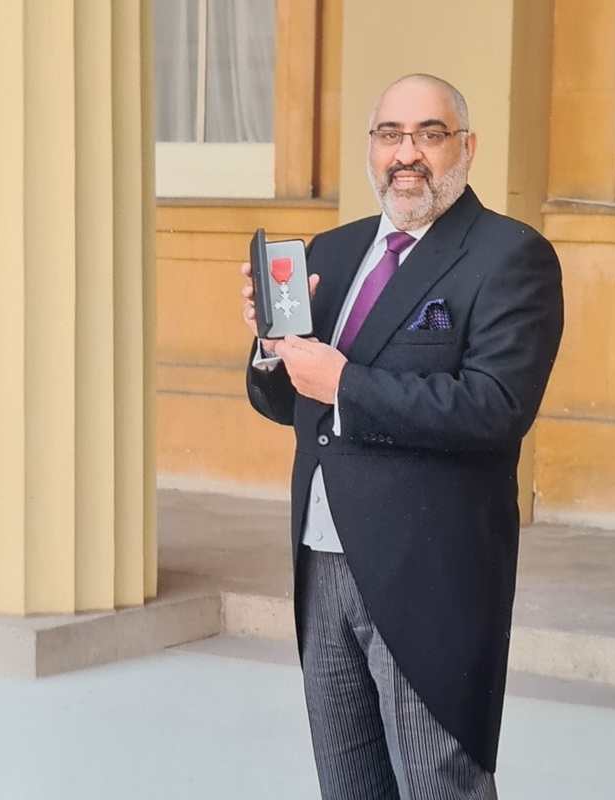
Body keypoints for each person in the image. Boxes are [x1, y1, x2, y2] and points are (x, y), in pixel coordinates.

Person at [240, 73, 563, 800]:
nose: (406, 154)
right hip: (322, 562)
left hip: (430, 573)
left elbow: (495, 405)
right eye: (390, 134)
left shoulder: (510, 257)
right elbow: (284, 402)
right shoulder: (331, 250)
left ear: (466, 148)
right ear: (372, 148)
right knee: (348, 783)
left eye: (429, 134)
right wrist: (270, 348)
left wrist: (343, 382)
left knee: (436, 783)